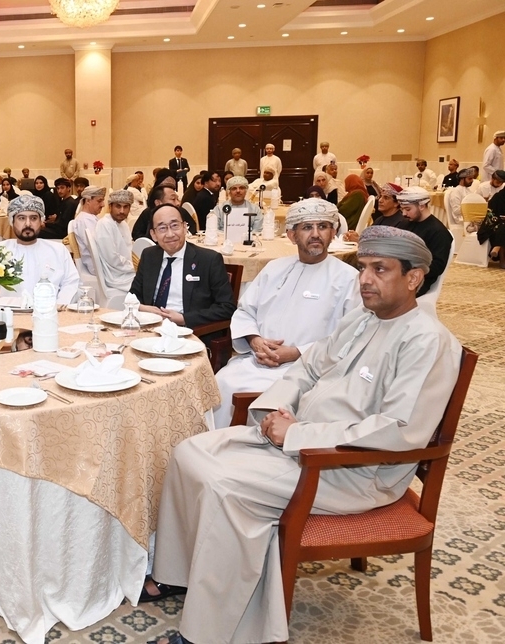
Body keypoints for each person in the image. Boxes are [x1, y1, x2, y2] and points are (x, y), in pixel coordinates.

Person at [147, 225, 461, 644]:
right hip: (302, 443)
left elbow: (399, 430)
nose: (365, 279)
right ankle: (182, 574)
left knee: (226, 486)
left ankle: (214, 631)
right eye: (363, 267)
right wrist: (278, 409)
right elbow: (309, 369)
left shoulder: (428, 341)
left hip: (353, 468)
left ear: (414, 278)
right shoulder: (363, 318)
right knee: (188, 452)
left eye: (379, 269)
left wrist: (297, 434)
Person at [212, 199, 361, 427]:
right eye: (306, 227)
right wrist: (254, 340)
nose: (315, 234)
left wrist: (295, 352)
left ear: (333, 233)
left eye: (322, 226)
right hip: (256, 361)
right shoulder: (274, 268)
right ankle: (218, 450)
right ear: (292, 235)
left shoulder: (348, 279)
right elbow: (245, 311)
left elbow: (348, 338)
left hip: (307, 370)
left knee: (263, 396)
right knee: (220, 383)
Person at [130, 204, 235, 328]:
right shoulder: (149, 256)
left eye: (175, 225)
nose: (170, 234)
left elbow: (227, 307)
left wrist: (184, 319)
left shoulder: (209, 259)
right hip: (150, 326)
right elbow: (132, 296)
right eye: (162, 228)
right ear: (153, 235)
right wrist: (142, 308)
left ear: (185, 227)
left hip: (189, 330)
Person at [0, 195, 80, 305]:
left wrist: (59, 305)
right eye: (21, 218)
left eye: (33, 218)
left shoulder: (58, 250)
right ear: (12, 222)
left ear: (41, 221)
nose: (28, 224)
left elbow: (71, 282)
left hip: (50, 315)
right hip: (6, 316)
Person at [395, 186, 453, 297]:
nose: (404, 214)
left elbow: (437, 266)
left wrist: (407, 269)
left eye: (408, 209)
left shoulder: (438, 232)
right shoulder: (406, 223)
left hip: (416, 282)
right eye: (402, 209)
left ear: (421, 206)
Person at [91, 189, 136, 297]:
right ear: (110, 206)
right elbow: (112, 258)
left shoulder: (123, 224)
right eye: (118, 206)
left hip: (124, 271)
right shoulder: (105, 224)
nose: (122, 211)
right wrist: (134, 267)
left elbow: (128, 251)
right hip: (115, 276)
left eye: (126, 207)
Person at [72, 185, 106, 275]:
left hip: (101, 262)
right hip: (98, 266)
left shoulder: (90, 217)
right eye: (99, 201)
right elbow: (96, 247)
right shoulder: (84, 220)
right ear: (88, 201)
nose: (103, 205)